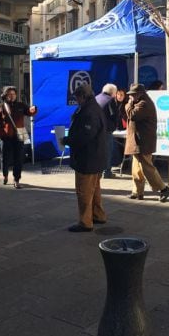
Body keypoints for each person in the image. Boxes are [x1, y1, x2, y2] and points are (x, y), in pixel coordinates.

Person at [62, 84, 107, 232]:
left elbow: (85, 136)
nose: (76, 101)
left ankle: (85, 222)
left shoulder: (89, 111)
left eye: (77, 98)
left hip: (87, 159)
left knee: (84, 191)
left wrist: (67, 140)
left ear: (83, 96)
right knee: (94, 190)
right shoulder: (93, 108)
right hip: (95, 157)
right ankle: (98, 215)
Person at [124, 83, 169, 202]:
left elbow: (132, 115)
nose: (131, 97)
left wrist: (128, 104)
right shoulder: (140, 102)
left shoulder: (144, 103)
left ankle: (163, 188)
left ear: (140, 94)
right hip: (138, 141)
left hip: (143, 142)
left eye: (133, 95)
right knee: (136, 169)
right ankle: (137, 192)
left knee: (147, 168)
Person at [0, 86, 37, 189]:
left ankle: (16, 179)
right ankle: (5, 175)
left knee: (18, 159)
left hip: (19, 137)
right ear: (5, 95)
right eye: (10, 94)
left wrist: (33, 109)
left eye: (14, 94)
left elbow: (29, 112)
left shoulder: (21, 105)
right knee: (5, 159)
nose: (12, 96)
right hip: (6, 137)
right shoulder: (0, 107)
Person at [95, 83, 118, 178]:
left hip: (96, 129)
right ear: (112, 92)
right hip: (106, 129)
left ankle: (98, 170)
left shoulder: (96, 98)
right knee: (107, 151)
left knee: (98, 150)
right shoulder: (110, 100)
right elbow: (114, 115)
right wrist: (114, 126)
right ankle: (107, 172)